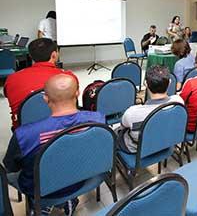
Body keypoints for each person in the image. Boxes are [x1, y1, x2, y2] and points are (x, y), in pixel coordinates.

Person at [3, 74, 104, 215]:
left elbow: (11, 166)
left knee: (7, 175)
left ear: (45, 98)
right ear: (78, 93)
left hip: (41, 190)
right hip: (82, 179)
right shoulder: (97, 119)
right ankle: (68, 200)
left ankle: (42, 205)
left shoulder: (24, 135)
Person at [4, 38, 79, 129]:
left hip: (25, 132)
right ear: (54, 55)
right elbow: (73, 100)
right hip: (63, 130)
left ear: (31, 56)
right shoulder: (68, 78)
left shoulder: (12, 78)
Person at [115, 65, 184, 153]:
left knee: (113, 134)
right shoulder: (178, 101)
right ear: (170, 82)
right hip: (166, 142)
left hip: (138, 148)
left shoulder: (132, 112)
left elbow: (123, 126)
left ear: (146, 84)